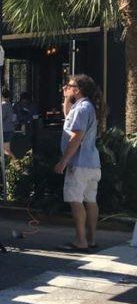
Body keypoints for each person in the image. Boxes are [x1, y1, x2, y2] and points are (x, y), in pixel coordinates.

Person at [54, 74, 102, 251]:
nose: (66, 87)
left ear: (78, 89)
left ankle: (80, 241)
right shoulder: (85, 106)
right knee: (90, 200)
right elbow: (68, 116)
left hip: (79, 163)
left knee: (76, 201)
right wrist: (67, 98)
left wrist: (63, 161)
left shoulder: (82, 109)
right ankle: (90, 239)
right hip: (92, 163)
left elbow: (76, 137)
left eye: (69, 85)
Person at [1, 88, 16, 159]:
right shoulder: (9, 104)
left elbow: (1, 118)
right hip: (9, 129)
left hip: (5, 130)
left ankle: (16, 163)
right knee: (6, 149)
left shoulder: (3, 105)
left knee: (5, 150)